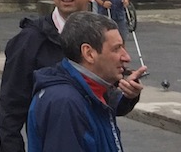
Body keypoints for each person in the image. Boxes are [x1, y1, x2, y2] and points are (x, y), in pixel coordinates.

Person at [0, 0, 142, 152]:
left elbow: (105, 101)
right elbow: (10, 111)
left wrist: (128, 95)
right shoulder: (29, 40)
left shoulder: (104, 32)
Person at [27, 11, 141, 152]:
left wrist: (128, 96)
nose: (126, 57)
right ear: (89, 53)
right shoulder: (65, 103)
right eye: (116, 48)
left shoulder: (89, 88)